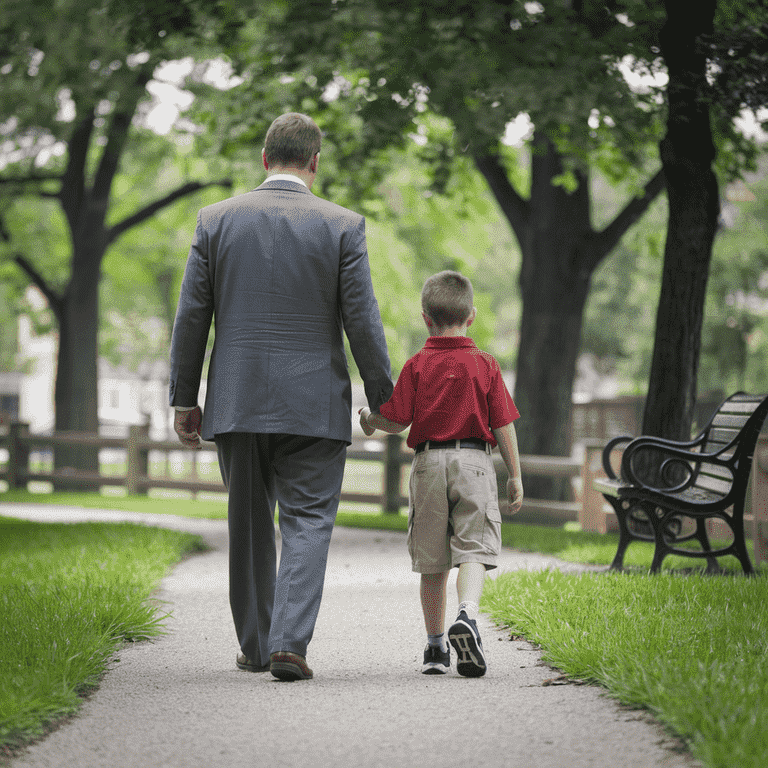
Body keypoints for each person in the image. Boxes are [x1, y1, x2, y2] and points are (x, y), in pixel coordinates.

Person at [169, 113, 393, 681]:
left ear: (264, 158)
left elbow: (192, 316)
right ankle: (289, 643)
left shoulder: (215, 221)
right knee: (309, 521)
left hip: (239, 398)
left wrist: (184, 397)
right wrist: (383, 395)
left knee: (247, 522)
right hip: (315, 403)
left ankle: (254, 644)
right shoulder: (343, 226)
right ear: (315, 162)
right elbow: (362, 321)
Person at [359, 270, 523, 677]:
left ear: (425, 318)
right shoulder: (485, 364)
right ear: (472, 317)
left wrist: (367, 417)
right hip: (474, 463)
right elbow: (503, 423)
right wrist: (515, 475)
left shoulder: (417, 365)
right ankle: (467, 615)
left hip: (429, 463)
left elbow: (395, 423)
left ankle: (435, 649)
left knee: (433, 560)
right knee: (474, 549)